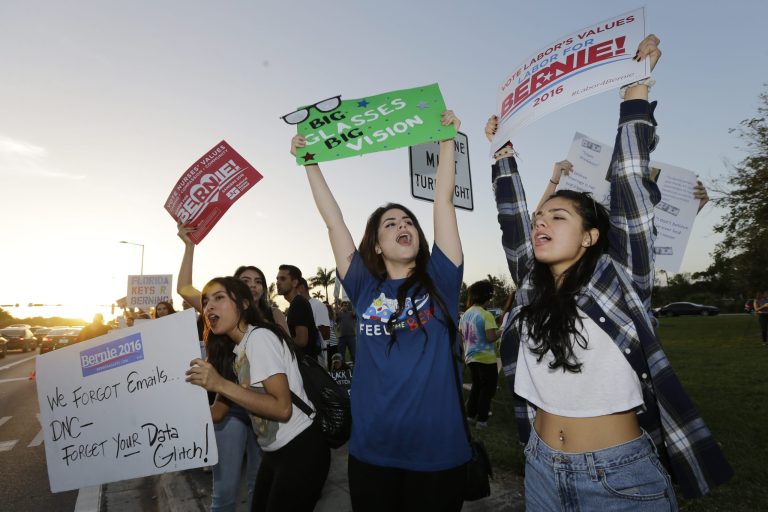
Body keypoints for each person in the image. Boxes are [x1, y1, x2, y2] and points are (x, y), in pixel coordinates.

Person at [488, 35, 732, 508]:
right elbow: (513, 219)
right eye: (541, 218)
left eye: (558, 217)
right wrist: (503, 153)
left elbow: (630, 185)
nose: (541, 221)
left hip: (619, 478)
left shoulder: (620, 279)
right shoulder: (530, 287)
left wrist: (634, 94)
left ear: (590, 237)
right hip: (538, 467)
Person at [293, 109, 470, 511]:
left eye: (407, 220)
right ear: (375, 245)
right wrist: (311, 164)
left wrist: (446, 143)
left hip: (437, 456)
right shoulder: (362, 287)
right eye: (389, 224)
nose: (402, 225)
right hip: (372, 453)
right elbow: (334, 223)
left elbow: (443, 202)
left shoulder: (441, 279)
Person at [186, 277, 330, 512]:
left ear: (244, 304)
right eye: (205, 301)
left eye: (219, 297)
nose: (209, 306)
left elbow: (282, 408)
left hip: (301, 448)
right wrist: (176, 412)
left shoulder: (259, 339)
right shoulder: (236, 351)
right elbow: (219, 413)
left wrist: (220, 384)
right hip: (274, 453)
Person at [176, 225, 264, 512]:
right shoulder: (216, 312)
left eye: (258, 280)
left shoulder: (274, 318)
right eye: (244, 280)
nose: (252, 284)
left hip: (266, 410)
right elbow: (185, 288)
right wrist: (189, 246)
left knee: (258, 486)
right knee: (224, 490)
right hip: (229, 411)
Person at [459, 280, 500, 428]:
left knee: (476, 387)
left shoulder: (465, 314)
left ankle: (470, 416)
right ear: (486, 297)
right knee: (487, 390)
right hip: (486, 359)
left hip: (471, 357)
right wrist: (501, 331)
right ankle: (482, 420)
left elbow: (461, 335)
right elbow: (490, 337)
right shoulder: (486, 315)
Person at [276, 265, 320, 359]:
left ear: (294, 283)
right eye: (277, 279)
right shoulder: (296, 303)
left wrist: (278, 340)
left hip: (305, 366)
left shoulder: (298, 303)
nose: (278, 282)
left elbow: (301, 341)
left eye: (283, 279)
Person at [297, 277, 331, 368]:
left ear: (302, 287)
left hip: (317, 357)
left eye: (294, 288)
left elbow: (326, 333)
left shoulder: (317, 305)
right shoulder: (295, 307)